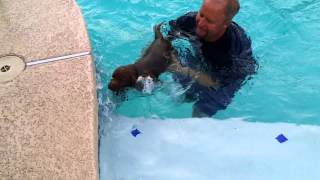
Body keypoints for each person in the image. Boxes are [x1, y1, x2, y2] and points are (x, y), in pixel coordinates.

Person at [163, 0, 258, 117]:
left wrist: (180, 68)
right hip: (198, 58)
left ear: (225, 24)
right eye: (201, 14)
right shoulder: (189, 21)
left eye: (209, 21)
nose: (200, 23)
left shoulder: (231, 55)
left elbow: (216, 84)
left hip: (226, 78)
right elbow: (165, 40)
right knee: (180, 95)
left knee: (200, 114)